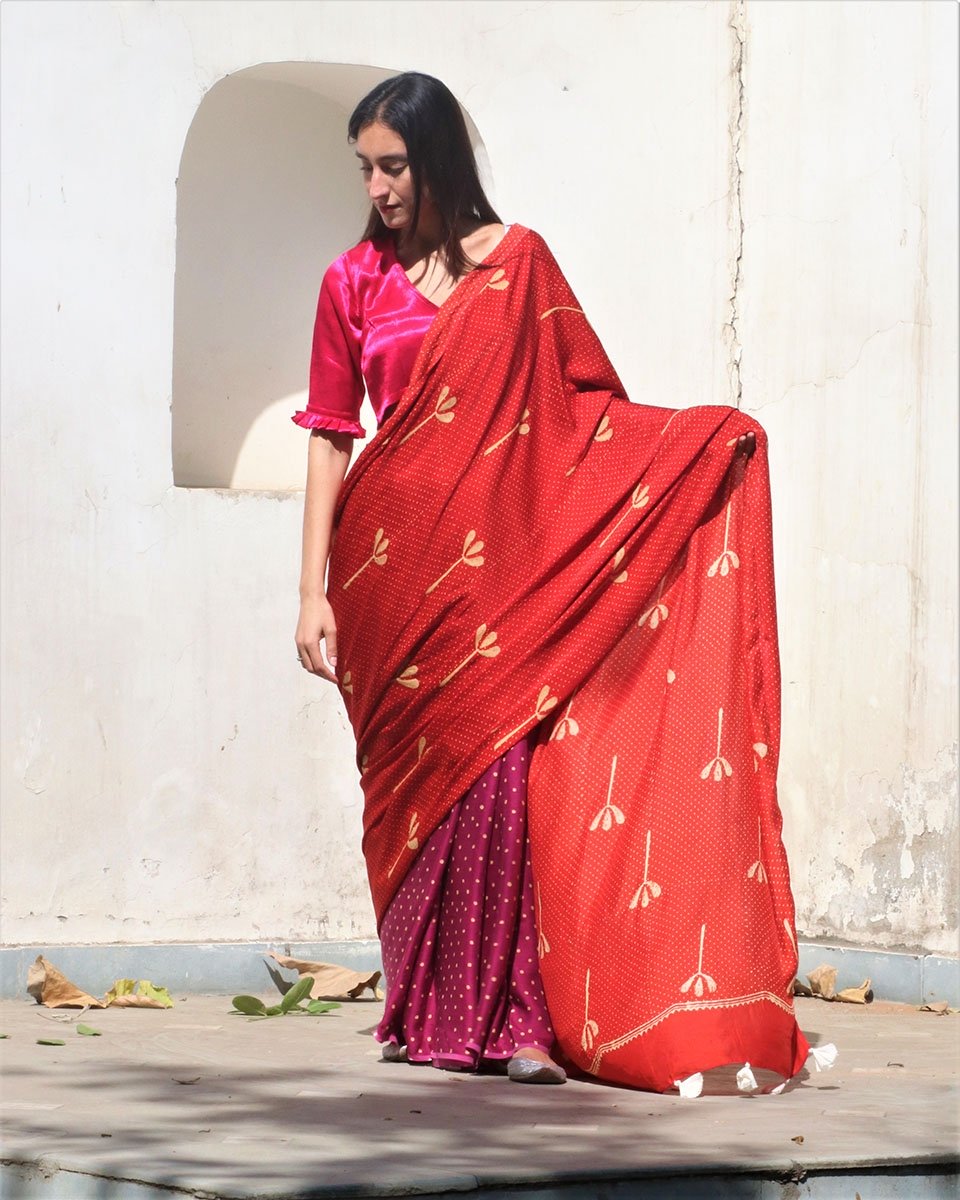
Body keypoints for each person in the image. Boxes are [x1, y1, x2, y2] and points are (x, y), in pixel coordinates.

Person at [294, 72, 819, 1094]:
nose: (378, 187)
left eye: (394, 166)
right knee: (408, 799)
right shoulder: (350, 282)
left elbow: (579, 413)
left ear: (440, 160)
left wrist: (697, 443)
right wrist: (310, 589)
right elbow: (328, 434)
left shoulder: (519, 265)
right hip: (386, 578)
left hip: (497, 574)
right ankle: (423, 1009)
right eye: (364, 169)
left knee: (501, 774)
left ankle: (517, 1024)